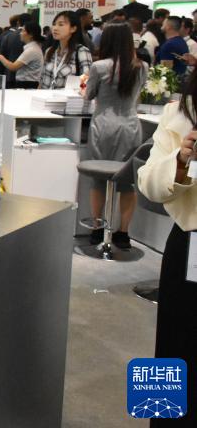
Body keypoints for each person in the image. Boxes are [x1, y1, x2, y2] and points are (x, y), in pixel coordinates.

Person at [137, 76, 197, 425]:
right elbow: (148, 182)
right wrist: (181, 160)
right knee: (173, 352)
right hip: (189, 244)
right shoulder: (179, 113)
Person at [81, 23, 146, 249]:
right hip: (130, 126)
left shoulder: (99, 66)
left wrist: (83, 88)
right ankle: (123, 233)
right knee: (127, 182)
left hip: (103, 126)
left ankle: (97, 229)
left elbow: (89, 95)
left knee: (99, 179)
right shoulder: (142, 66)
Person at [39, 10, 92, 89]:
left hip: (67, 97)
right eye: (54, 24)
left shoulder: (81, 51)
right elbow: (42, 80)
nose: (55, 28)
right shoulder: (50, 51)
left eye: (61, 24)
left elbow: (85, 85)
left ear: (73, 29)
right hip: (44, 96)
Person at [0, 20, 45, 89]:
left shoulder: (31, 50)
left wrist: (0, 57)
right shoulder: (34, 48)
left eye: (23, 31)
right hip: (28, 84)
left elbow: (13, 67)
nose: (20, 33)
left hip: (27, 85)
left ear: (31, 34)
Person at [0, 14, 24, 81]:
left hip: (6, 73)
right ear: (18, 23)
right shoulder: (23, 35)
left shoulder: (4, 34)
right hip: (21, 74)